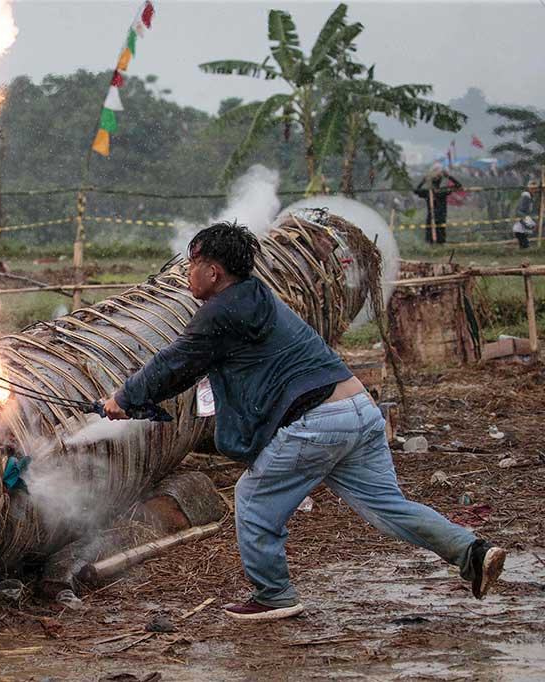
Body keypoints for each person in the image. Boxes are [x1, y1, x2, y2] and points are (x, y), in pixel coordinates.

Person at [102, 221, 506, 622]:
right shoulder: (257, 296)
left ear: (213, 271)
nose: (186, 272)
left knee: (253, 499)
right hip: (360, 410)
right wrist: (137, 398)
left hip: (319, 422)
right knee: (389, 507)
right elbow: (190, 367)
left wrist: (124, 398)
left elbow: (174, 363)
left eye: (192, 263)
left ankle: (274, 594)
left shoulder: (220, 313)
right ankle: (472, 551)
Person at [414, 167, 463, 245]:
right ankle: (439, 245)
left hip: (432, 216)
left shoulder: (427, 192)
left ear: (431, 182)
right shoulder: (443, 191)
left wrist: (423, 181)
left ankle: (433, 246)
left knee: (431, 236)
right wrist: (448, 176)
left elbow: (416, 191)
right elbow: (458, 185)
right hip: (441, 215)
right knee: (440, 235)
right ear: (440, 182)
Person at [512, 181, 539, 249]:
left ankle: (523, 246)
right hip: (522, 215)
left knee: (523, 231)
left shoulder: (530, 196)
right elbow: (521, 209)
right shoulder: (526, 196)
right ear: (528, 188)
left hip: (523, 216)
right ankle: (525, 246)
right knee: (529, 227)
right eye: (532, 189)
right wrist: (526, 219)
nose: (534, 190)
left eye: (535, 188)